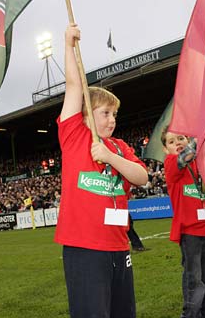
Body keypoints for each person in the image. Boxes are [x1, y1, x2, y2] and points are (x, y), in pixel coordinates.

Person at [55, 24, 148, 318]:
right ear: (85, 115)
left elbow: (142, 178)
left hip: (119, 247)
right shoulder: (74, 137)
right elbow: (73, 85)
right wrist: (68, 44)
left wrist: (110, 156)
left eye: (115, 114)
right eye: (105, 113)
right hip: (84, 249)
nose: (112, 120)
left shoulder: (119, 147)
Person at [161, 127, 205, 318]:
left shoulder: (200, 164)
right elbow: (185, 156)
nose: (178, 143)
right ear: (166, 150)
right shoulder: (170, 164)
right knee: (194, 278)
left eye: (181, 138)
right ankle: (191, 314)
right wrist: (204, 131)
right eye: (172, 141)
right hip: (190, 232)